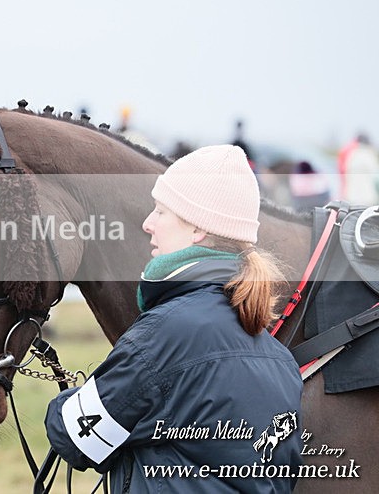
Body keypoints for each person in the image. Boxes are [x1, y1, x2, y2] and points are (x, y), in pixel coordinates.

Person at [44, 145, 303, 493]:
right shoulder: (279, 358)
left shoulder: (164, 333)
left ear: (197, 229)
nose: (148, 224)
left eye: (161, 212)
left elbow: (76, 438)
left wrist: (67, 401)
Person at [339, 134, 379, 205]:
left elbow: (345, 175)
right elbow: (376, 177)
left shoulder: (351, 155)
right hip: (367, 199)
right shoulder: (369, 155)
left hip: (351, 197)